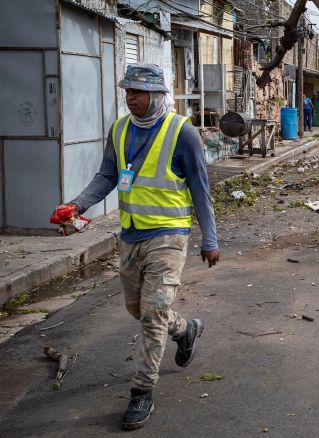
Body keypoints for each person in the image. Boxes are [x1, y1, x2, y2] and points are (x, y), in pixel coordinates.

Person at [52, 64, 219, 431]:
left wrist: (210, 238)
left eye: (138, 92)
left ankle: (142, 392)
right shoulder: (119, 130)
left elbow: (200, 189)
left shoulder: (183, 133)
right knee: (140, 310)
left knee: (153, 310)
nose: (130, 97)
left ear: (157, 95)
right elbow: (107, 176)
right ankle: (186, 329)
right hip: (130, 235)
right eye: (127, 90)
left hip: (170, 236)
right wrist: (77, 205)